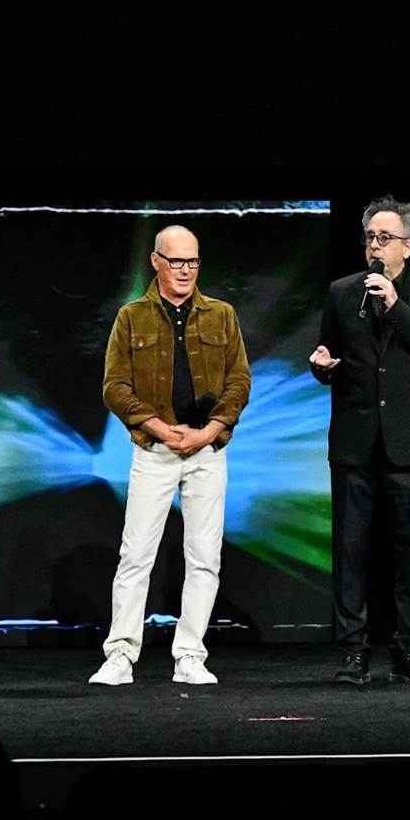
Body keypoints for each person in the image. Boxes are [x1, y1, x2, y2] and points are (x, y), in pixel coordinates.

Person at [91, 226, 251, 687]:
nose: (185, 271)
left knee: (204, 557)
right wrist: (160, 428)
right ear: (156, 262)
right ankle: (120, 655)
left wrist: (209, 432)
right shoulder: (132, 317)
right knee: (136, 554)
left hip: (208, 451)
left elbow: (239, 382)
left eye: (193, 262)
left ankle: (190, 656)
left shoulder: (221, 315)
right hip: (154, 451)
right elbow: (114, 387)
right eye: (177, 261)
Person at [310, 195, 410, 684]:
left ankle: (408, 649)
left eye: (385, 238)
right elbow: (328, 349)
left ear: (408, 248)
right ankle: (354, 650)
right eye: (370, 237)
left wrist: (396, 305)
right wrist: (321, 365)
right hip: (354, 439)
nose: (375, 245)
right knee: (350, 549)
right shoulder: (341, 291)